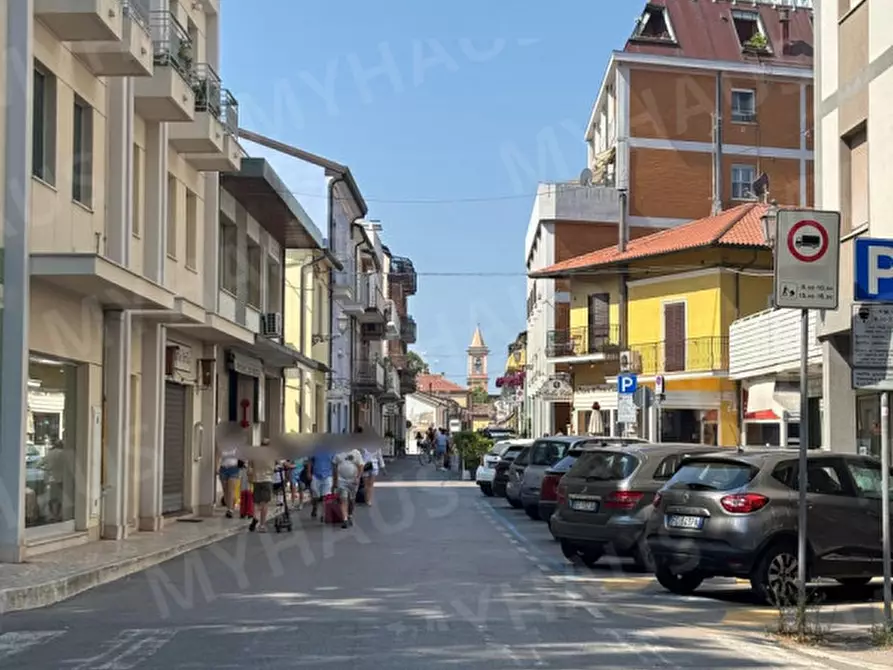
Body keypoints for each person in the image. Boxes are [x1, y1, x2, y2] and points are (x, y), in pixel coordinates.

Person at [248, 440, 276, 532]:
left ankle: (255, 517)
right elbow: (281, 463)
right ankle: (262, 525)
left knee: (256, 502)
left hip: (256, 480)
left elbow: (250, 465)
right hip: (267, 480)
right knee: (265, 503)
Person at [333, 447, 363, 528]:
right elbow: (335, 466)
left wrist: (358, 477)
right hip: (341, 480)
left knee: (352, 500)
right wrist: (335, 481)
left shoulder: (356, 452)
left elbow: (360, 466)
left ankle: (350, 515)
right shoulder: (338, 452)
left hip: (353, 480)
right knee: (343, 499)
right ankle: (345, 519)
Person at [217, 425, 241, 519]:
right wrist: (216, 467)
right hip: (223, 468)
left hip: (233, 469)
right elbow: (218, 456)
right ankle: (229, 508)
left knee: (231, 489)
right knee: (225, 490)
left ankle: (231, 510)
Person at [307, 444, 335, 521]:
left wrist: (334, 476)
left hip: (328, 475)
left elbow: (334, 464)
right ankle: (315, 506)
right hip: (316, 475)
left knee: (326, 496)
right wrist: (309, 472)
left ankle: (324, 514)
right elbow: (310, 461)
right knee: (315, 495)